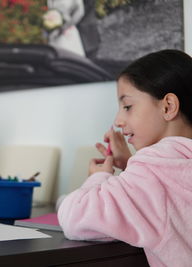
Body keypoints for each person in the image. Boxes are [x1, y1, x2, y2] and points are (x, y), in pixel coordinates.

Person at [57, 49, 192, 267]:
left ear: (168, 106)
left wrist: (99, 178)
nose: (118, 120)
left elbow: (75, 218)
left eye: (127, 106)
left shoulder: (151, 168)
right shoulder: (164, 169)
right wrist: (130, 165)